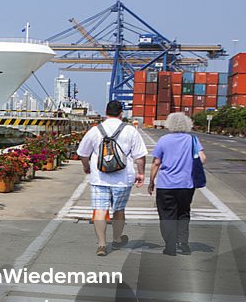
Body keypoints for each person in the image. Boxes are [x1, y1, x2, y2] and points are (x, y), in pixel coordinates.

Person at [76, 101, 147, 256]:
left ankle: (101, 245)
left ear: (106, 112)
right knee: (119, 210)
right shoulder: (130, 130)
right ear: (121, 113)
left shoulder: (95, 130)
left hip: (99, 178)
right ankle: (116, 240)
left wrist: (86, 167)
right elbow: (139, 156)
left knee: (100, 210)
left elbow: (82, 153)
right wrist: (141, 173)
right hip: (123, 179)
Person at [148, 111, 205, 256]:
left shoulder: (163, 140)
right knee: (183, 213)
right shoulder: (192, 139)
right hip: (187, 184)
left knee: (167, 215)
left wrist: (151, 181)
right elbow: (202, 158)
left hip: (166, 184)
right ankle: (183, 243)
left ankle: (170, 245)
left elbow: (156, 163)